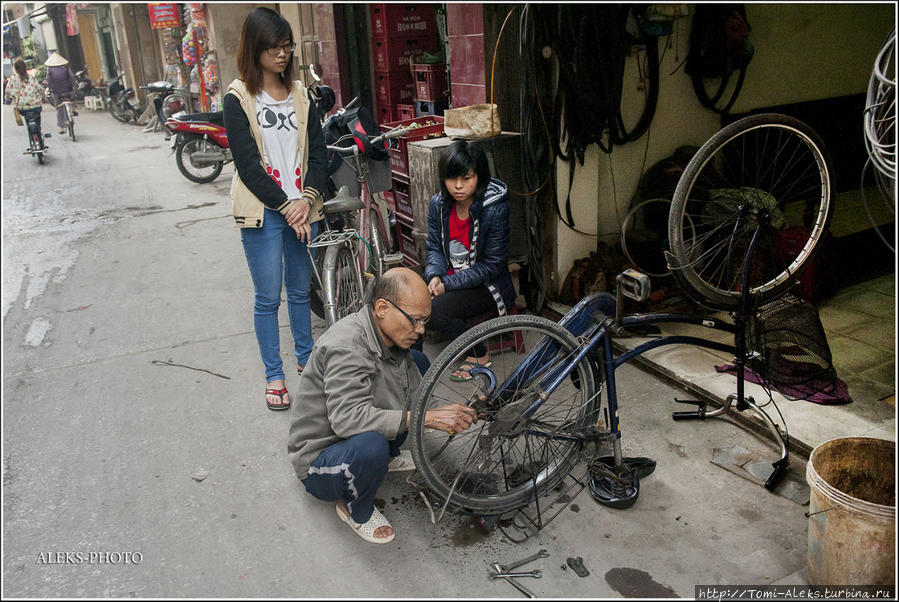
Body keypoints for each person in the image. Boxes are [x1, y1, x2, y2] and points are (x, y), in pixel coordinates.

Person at [287, 268, 478, 544]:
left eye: (425, 321)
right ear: (382, 308)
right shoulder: (347, 346)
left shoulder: (390, 335)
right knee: (371, 446)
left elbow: (414, 393)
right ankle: (355, 509)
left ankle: (385, 457)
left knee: (418, 363)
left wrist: (452, 412)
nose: (421, 329)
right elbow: (347, 421)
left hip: (351, 434)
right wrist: (425, 418)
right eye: (415, 320)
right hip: (319, 461)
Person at [223, 7, 329, 412]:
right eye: (273, 48)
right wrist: (286, 205)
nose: (282, 55)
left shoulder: (302, 95)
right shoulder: (238, 98)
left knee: (302, 291)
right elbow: (247, 164)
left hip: (303, 209)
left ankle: (306, 361)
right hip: (264, 212)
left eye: (287, 47)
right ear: (256, 49)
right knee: (269, 297)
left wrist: (305, 201)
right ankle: (274, 375)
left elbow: (317, 154)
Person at [418, 140, 517, 381]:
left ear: (479, 177)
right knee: (407, 295)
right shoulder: (438, 204)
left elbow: (492, 265)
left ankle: (478, 353)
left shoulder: (494, 208)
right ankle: (411, 362)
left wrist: (446, 285)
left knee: (435, 311)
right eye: (452, 179)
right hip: (449, 277)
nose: (458, 186)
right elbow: (434, 247)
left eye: (467, 178)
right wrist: (434, 275)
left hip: (487, 285)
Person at [6, 58, 44, 131]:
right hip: (35, 105)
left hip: (22, 108)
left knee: (27, 118)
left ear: (15, 69)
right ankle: (39, 133)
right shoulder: (31, 78)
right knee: (37, 121)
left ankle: (31, 131)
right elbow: (40, 89)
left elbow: (8, 92)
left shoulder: (12, 79)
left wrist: (7, 98)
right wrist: (41, 95)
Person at [45, 51, 76, 134]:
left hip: (57, 91)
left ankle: (61, 127)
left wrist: (50, 88)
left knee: (59, 108)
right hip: (68, 89)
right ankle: (73, 108)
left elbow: (48, 80)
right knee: (72, 96)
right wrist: (74, 86)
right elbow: (71, 77)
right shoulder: (66, 68)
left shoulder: (50, 70)